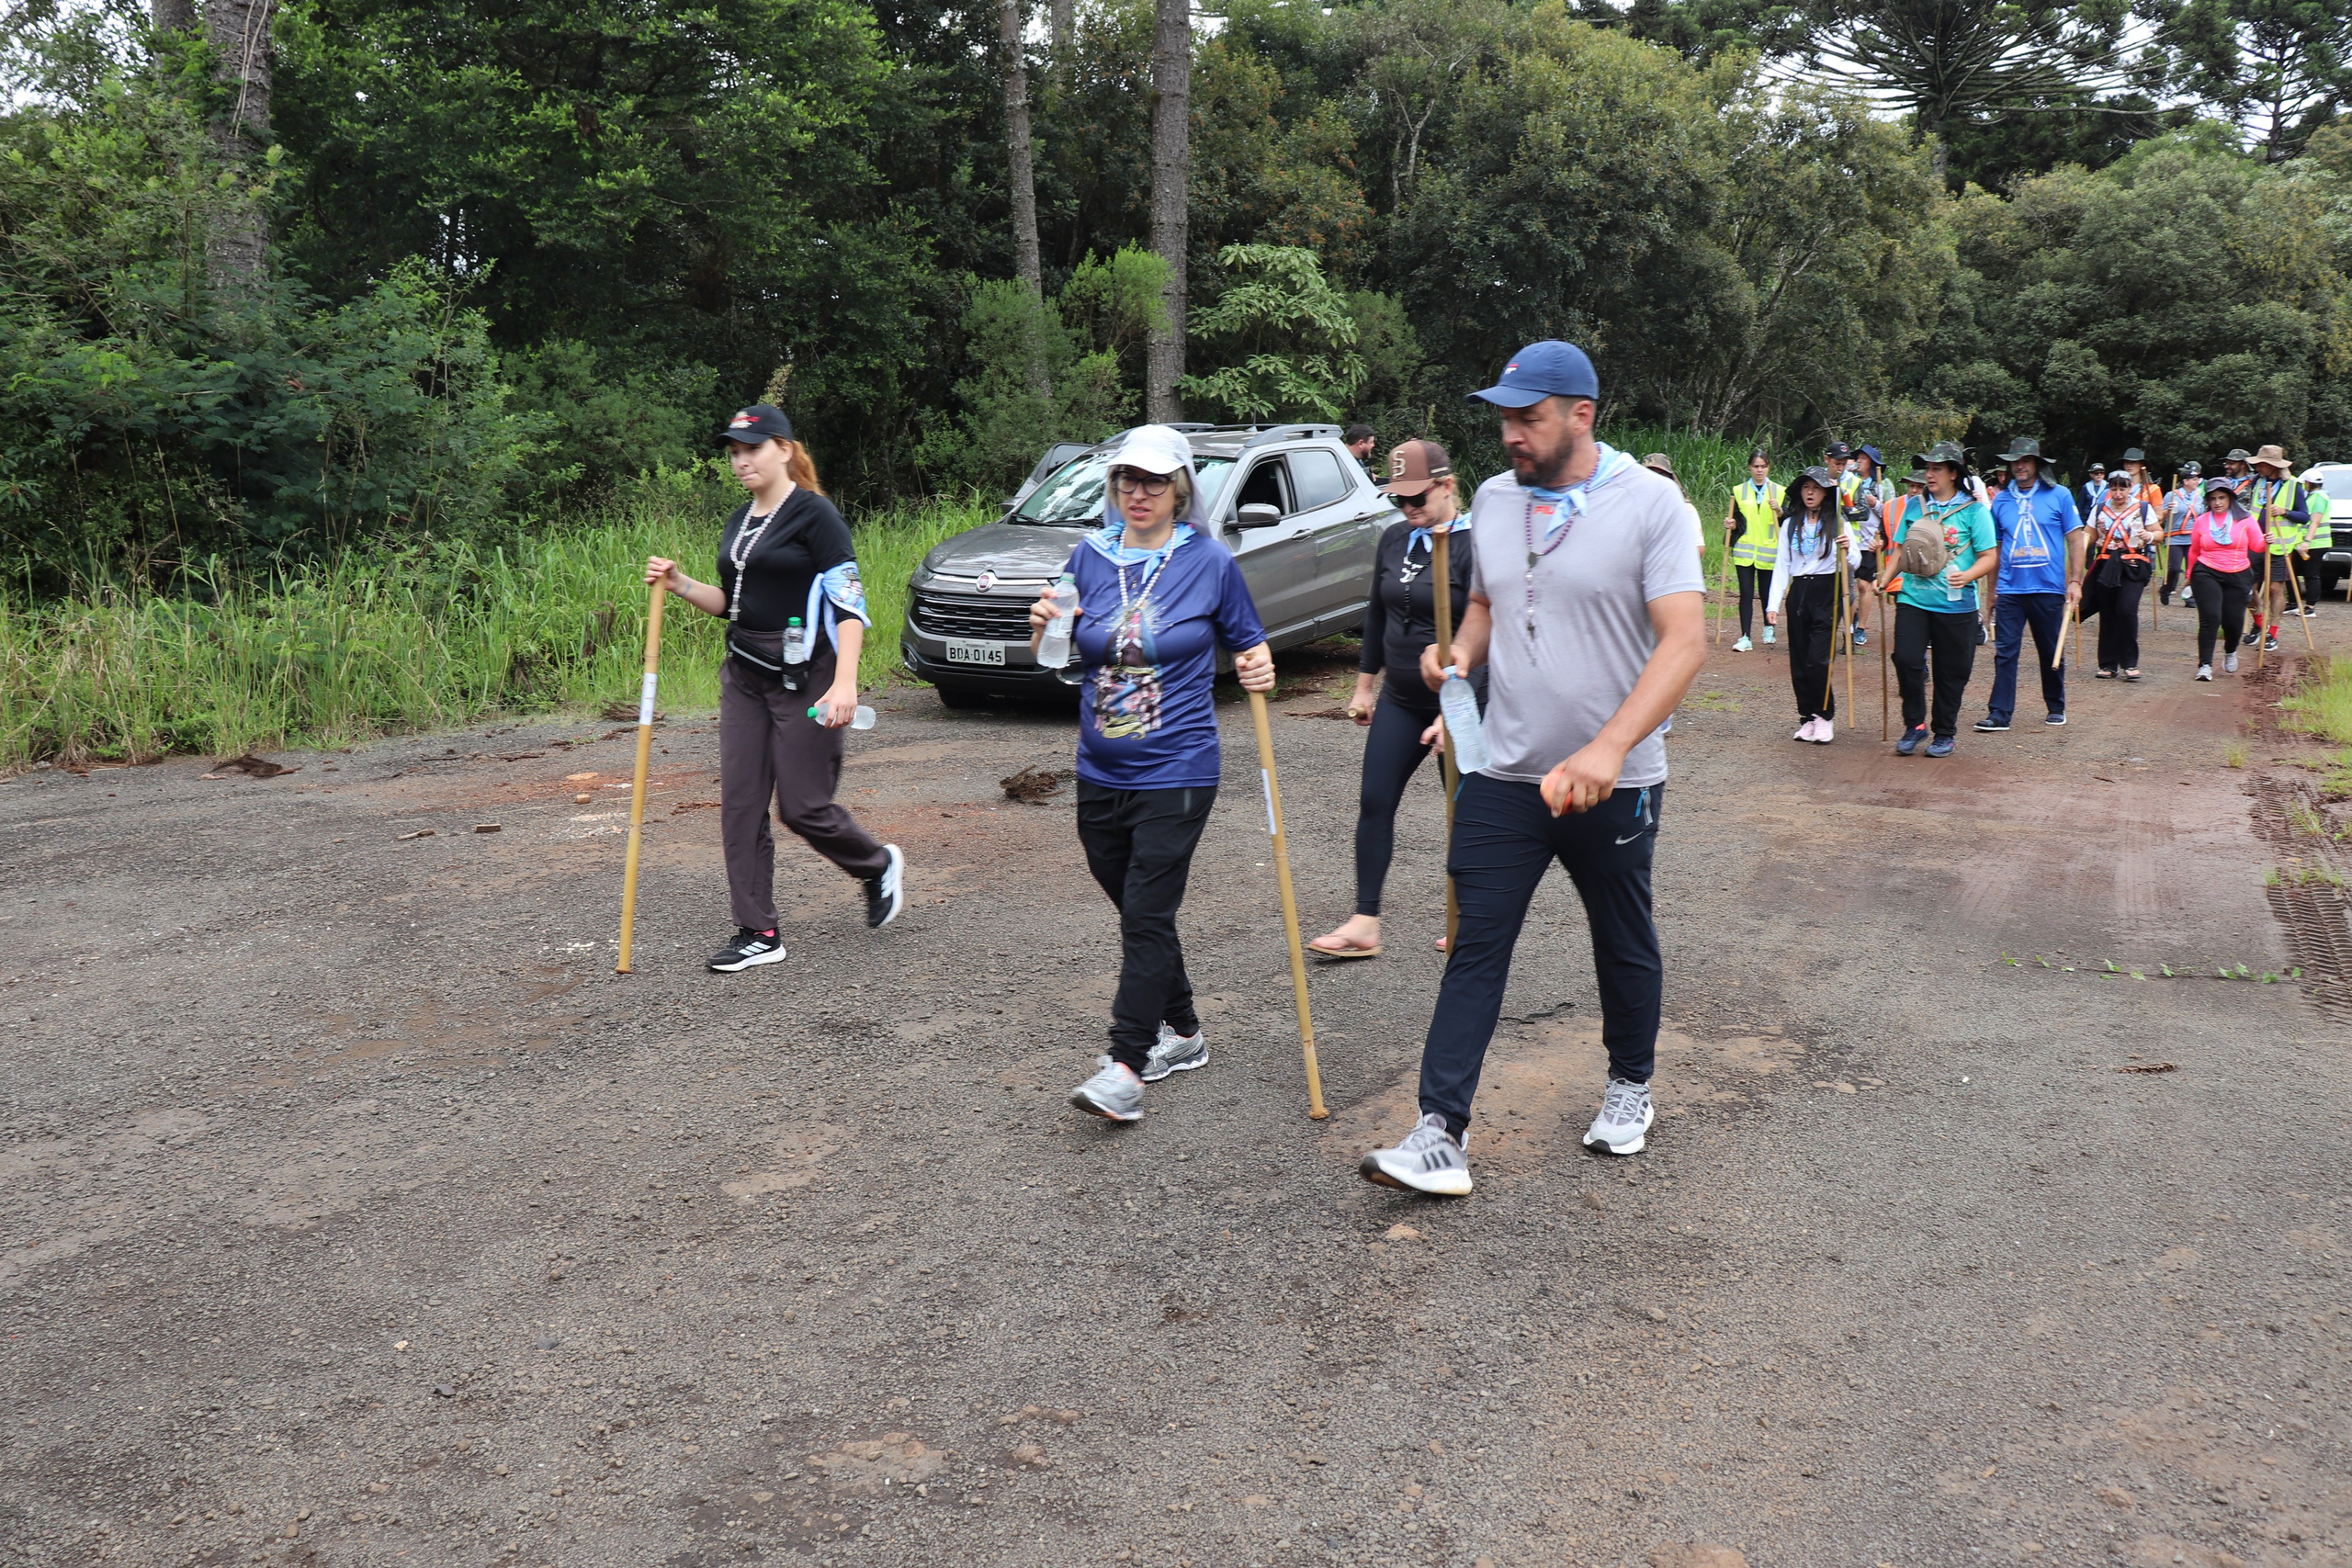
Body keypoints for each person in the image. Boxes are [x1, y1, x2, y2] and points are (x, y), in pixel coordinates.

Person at [1358, 341, 1705, 1195]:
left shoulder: (1654, 506)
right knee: (1476, 941)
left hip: (1613, 778)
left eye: (1529, 417)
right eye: (1504, 418)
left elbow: (1685, 642)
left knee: (1622, 937)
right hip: (1505, 770)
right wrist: (1460, 655)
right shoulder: (1493, 498)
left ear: (1582, 415)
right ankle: (1439, 1130)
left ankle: (1630, 1083)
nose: (1511, 434)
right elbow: (1485, 603)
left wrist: (1609, 747)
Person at [1026, 424, 1277, 1122]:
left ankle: (1126, 1064)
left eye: (1155, 481)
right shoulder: (1091, 555)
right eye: (1128, 480)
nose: (1139, 493)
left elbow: (1249, 643)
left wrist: (1259, 664)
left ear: (1181, 489)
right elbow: (1058, 651)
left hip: (1180, 765)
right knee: (1137, 907)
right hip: (1099, 765)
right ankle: (1186, 1032)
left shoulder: (1210, 561)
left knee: (1146, 911)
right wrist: (1041, 620)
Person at [643, 403, 905, 974]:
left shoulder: (816, 517)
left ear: (784, 449)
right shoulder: (740, 521)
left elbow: (849, 608)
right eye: (734, 452)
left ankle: (876, 864)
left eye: (752, 449)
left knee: (804, 807)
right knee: (740, 803)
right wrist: (680, 582)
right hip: (743, 673)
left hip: (805, 676)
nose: (741, 461)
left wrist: (844, 684)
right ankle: (758, 930)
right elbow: (730, 605)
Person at [1310, 439, 1478, 963]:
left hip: (1460, 700)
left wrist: (1457, 714)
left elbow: (1491, 635)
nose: (1408, 510)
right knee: (1375, 800)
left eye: (1418, 499)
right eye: (1399, 500)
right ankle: (1365, 922)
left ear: (1447, 486)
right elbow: (1377, 614)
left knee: (1466, 813)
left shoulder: (1478, 546)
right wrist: (1365, 685)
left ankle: (1468, 920)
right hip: (1402, 699)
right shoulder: (1395, 539)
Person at [1883, 441, 1999, 757]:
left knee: (1952, 671)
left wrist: (1969, 574)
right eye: (1927, 468)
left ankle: (1944, 732)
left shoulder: (1975, 511)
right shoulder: (1915, 506)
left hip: (1957, 604)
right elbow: (1899, 547)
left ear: (1952, 473)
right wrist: (1886, 575)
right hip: (1913, 597)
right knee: (1906, 659)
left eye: (1936, 469)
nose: (1929, 475)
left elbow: (1989, 556)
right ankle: (1915, 725)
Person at [1977, 437, 2083, 732]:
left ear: (2037, 463)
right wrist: (1992, 590)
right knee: (2005, 651)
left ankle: (2055, 705)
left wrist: (2075, 580)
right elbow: (1994, 548)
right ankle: (1999, 713)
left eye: (2025, 460)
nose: (2019, 466)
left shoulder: (2059, 495)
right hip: (2011, 589)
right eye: (2015, 462)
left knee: (2050, 650)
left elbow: (2076, 539)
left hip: (2048, 587)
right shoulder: (2001, 500)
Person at [1765, 466, 1860, 743]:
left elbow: (1853, 562)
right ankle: (1807, 716)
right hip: (1799, 591)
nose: (1810, 493)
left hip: (1828, 591)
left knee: (1818, 659)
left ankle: (1824, 715)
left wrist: (1846, 549)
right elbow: (1781, 565)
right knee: (1799, 660)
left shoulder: (1839, 523)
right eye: (1806, 488)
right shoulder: (1789, 525)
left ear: (1825, 494)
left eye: (1816, 488)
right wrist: (1773, 605)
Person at [2078, 464, 2161, 680]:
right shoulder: (2099, 509)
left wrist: (2149, 537)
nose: (2118, 494)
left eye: (2122, 489)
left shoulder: (2142, 508)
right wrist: (2083, 544)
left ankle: (2130, 663)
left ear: (2130, 488)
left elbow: (2159, 533)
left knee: (2126, 610)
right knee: (2108, 614)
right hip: (2106, 565)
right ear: (2109, 490)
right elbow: (2088, 534)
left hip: (2133, 564)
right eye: (2114, 489)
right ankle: (2108, 664)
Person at [2185, 475, 2265, 680]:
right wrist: (2189, 575)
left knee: (2233, 622)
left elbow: (2256, 546)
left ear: (2230, 498)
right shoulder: (2202, 521)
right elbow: (2194, 550)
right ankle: (2205, 665)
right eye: (2213, 499)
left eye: (2221, 498)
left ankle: (2230, 651)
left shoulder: (2246, 518)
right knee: (2210, 618)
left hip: (2238, 573)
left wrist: (2267, 541)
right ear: (2208, 501)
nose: (2217, 503)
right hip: (2207, 571)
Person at [2245, 446, 2313, 650]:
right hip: (2255, 542)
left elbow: (2304, 516)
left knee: (2276, 589)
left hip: (2279, 545)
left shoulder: (2294, 486)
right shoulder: (2257, 482)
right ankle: (2259, 623)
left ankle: (2272, 633)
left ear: (2273, 465)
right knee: (2246, 588)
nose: (2257, 467)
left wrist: (2285, 512)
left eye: (2261, 464)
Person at [1723, 450, 1782, 651]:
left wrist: (1780, 511)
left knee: (1766, 593)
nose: (1759, 470)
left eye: (1763, 466)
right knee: (1746, 593)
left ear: (1769, 467)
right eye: (1756, 466)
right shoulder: (1739, 491)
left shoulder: (1779, 491)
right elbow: (1738, 521)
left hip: (1768, 550)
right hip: (1745, 552)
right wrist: (1731, 524)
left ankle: (1769, 628)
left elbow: (1786, 521)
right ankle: (1745, 636)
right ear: (1750, 467)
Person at [1844, 446, 1887, 647]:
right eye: (1857, 457)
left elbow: (1889, 512)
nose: (1859, 461)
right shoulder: (1849, 481)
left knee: (1864, 585)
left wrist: (1875, 503)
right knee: (1848, 586)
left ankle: (1861, 627)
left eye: (1864, 458)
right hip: (1851, 538)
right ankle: (1850, 624)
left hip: (1871, 541)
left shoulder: (1882, 485)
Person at [2160, 462, 2201, 608]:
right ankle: (2166, 589)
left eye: (2197, 479)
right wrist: (2167, 511)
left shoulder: (2199, 497)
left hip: (2192, 537)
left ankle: (2189, 596)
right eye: (2194, 479)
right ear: (2186, 481)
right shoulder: (2171, 495)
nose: (2197, 482)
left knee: (2193, 569)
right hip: (2175, 536)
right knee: (2175, 568)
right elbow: (2160, 517)